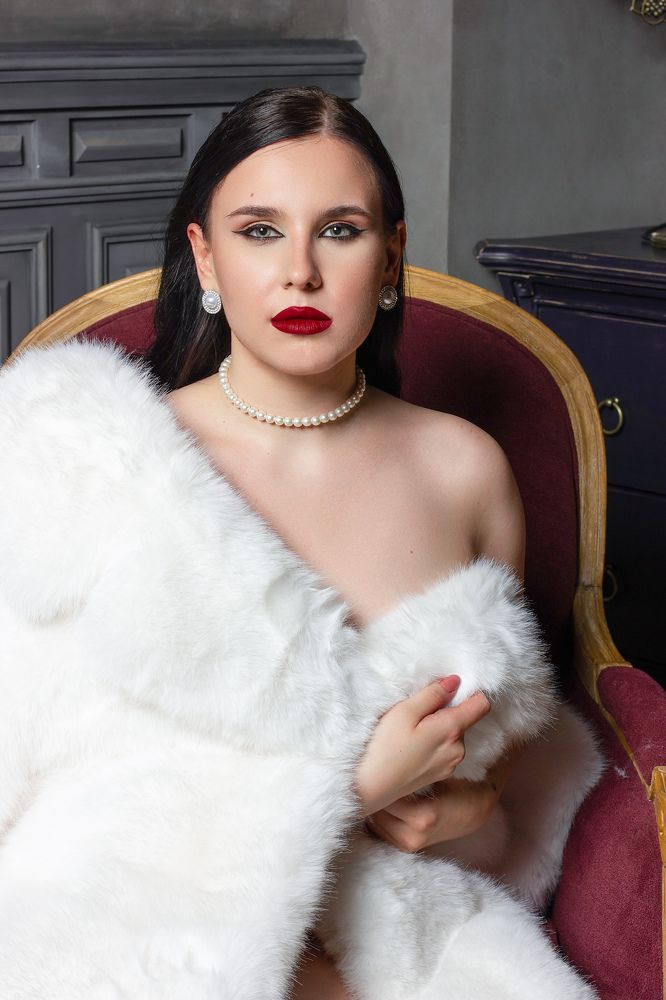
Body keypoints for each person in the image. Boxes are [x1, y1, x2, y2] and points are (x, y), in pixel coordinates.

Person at [146, 85, 527, 999]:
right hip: (173, 948)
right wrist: (353, 791)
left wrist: (468, 810)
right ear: (205, 255)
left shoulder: (465, 470)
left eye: (341, 231)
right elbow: (76, 804)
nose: (301, 274)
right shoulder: (130, 461)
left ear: (391, 255)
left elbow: (504, 782)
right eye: (260, 231)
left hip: (418, 939)